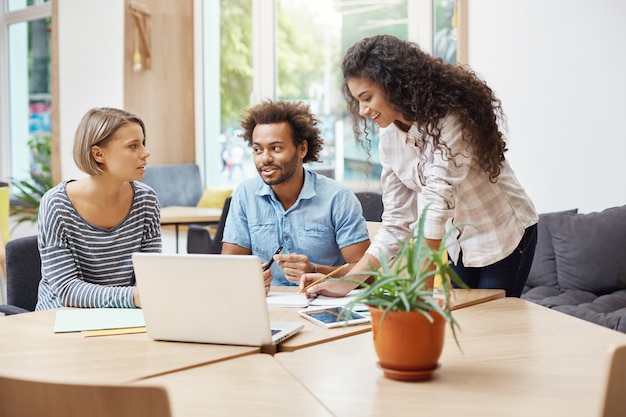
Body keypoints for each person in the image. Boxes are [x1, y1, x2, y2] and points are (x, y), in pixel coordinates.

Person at [300, 34, 538, 298]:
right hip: (459, 243)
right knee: (466, 325)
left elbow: (438, 203)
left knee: (493, 327)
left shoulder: (451, 119)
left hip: (503, 233)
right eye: (357, 100)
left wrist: (417, 299)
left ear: (393, 84)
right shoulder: (389, 137)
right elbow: (396, 222)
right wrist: (348, 283)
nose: (363, 110)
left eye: (367, 98)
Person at [222, 99, 370, 290]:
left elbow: (369, 276)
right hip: (267, 305)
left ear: (302, 149)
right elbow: (228, 268)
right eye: (258, 150)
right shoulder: (245, 194)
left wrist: (316, 270)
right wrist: (248, 278)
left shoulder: (338, 198)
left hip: (323, 304)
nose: (265, 158)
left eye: (275, 148)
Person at [35, 107, 161, 310]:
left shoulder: (146, 200)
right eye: (133, 146)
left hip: (125, 318)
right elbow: (67, 289)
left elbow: (150, 275)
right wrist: (135, 297)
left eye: (143, 143)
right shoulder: (56, 204)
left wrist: (141, 296)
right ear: (98, 154)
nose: (146, 153)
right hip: (63, 321)